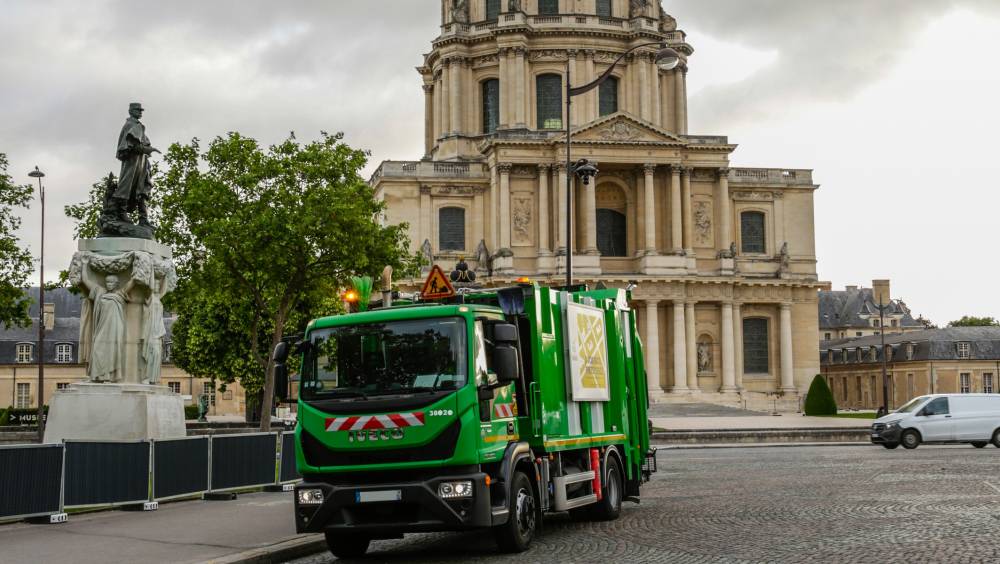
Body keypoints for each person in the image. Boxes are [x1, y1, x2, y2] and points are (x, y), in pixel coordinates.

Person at [80, 256, 135, 382]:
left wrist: (137, 269)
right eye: (107, 282)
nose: (109, 284)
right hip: (101, 328)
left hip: (115, 329)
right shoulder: (99, 292)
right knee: (97, 350)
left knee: (112, 352)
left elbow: (132, 282)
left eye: (112, 282)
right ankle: (96, 376)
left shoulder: (120, 294)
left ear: (116, 284)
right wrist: (84, 264)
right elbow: (85, 280)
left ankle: (109, 377)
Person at [115, 102, 159, 226]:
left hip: (141, 162)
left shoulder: (139, 126)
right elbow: (132, 145)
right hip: (132, 161)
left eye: (141, 110)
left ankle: (143, 218)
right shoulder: (130, 125)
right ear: (131, 111)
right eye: (137, 110)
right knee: (126, 185)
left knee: (142, 187)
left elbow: (142, 143)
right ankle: (121, 213)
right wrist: (148, 149)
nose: (140, 112)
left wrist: (147, 150)